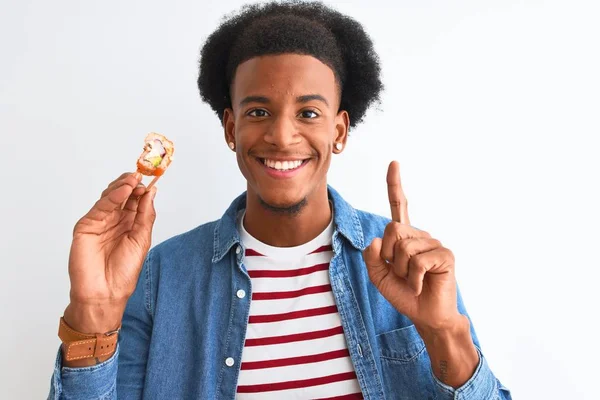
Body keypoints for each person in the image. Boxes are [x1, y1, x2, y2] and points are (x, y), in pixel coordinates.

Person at [48, 1, 511, 399]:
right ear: (231, 129)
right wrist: (93, 313)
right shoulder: (160, 277)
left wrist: (445, 333)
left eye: (308, 112)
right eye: (258, 112)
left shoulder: (406, 264)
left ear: (339, 131)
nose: (282, 135)